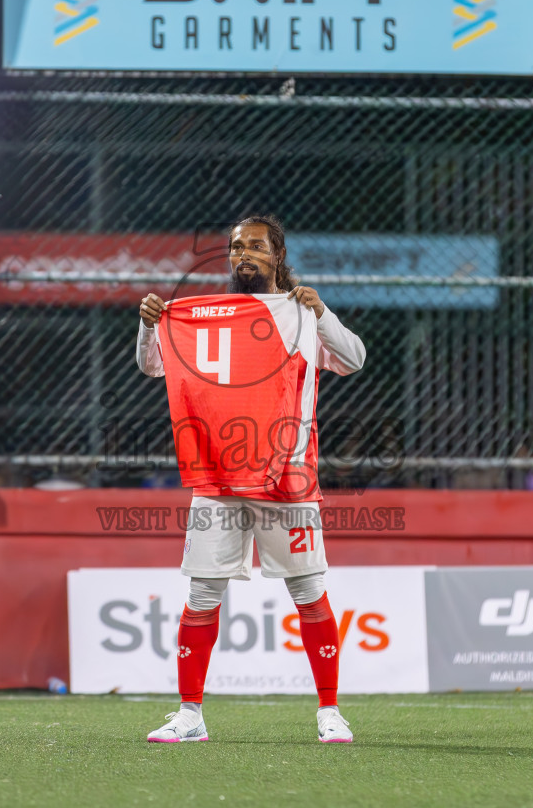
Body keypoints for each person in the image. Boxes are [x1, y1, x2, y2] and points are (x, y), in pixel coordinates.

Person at [136, 214, 366, 745]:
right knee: (203, 593)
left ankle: (330, 712)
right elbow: (152, 368)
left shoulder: (302, 315)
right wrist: (150, 324)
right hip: (217, 476)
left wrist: (322, 311)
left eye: (256, 246)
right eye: (236, 246)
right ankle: (190, 715)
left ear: (277, 255)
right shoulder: (202, 319)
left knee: (308, 589)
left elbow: (354, 358)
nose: (243, 254)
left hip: (287, 475)